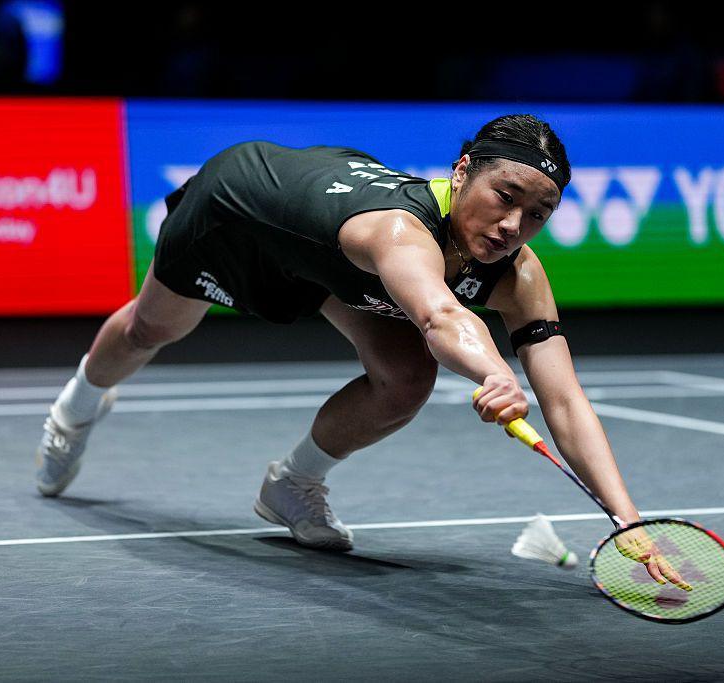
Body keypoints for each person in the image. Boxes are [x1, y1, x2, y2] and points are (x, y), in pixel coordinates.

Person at [36, 113, 682, 586]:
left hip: (328, 260)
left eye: (536, 214)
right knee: (152, 329)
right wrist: (493, 371)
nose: (513, 225)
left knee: (405, 377)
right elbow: (438, 312)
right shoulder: (400, 230)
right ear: (463, 172)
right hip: (240, 215)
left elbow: (564, 398)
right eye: (504, 197)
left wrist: (628, 520)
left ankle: (292, 483)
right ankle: (75, 407)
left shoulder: (520, 274)